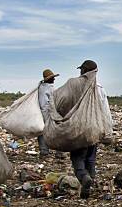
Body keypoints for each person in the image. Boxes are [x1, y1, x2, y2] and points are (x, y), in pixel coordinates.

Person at [67, 60, 109, 199]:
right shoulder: (100, 88)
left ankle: (84, 177)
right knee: (91, 157)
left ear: (84, 71)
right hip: (95, 128)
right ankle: (90, 180)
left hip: (79, 127)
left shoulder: (75, 86)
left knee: (78, 157)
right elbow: (105, 110)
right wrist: (106, 129)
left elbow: (66, 104)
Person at [38, 68, 59, 156]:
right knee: (55, 132)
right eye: (52, 78)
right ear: (49, 79)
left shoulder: (41, 87)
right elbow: (45, 104)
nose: (54, 79)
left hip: (45, 113)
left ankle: (45, 150)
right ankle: (56, 151)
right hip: (48, 113)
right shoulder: (48, 88)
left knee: (43, 132)